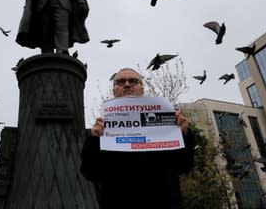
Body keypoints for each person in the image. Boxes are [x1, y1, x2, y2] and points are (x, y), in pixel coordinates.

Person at [80, 68, 195, 209]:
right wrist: (94, 140)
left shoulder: (168, 120)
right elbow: (90, 172)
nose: (127, 84)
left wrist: (184, 135)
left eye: (133, 81)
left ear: (142, 88)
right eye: (121, 82)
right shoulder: (101, 131)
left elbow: (184, 165)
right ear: (114, 90)